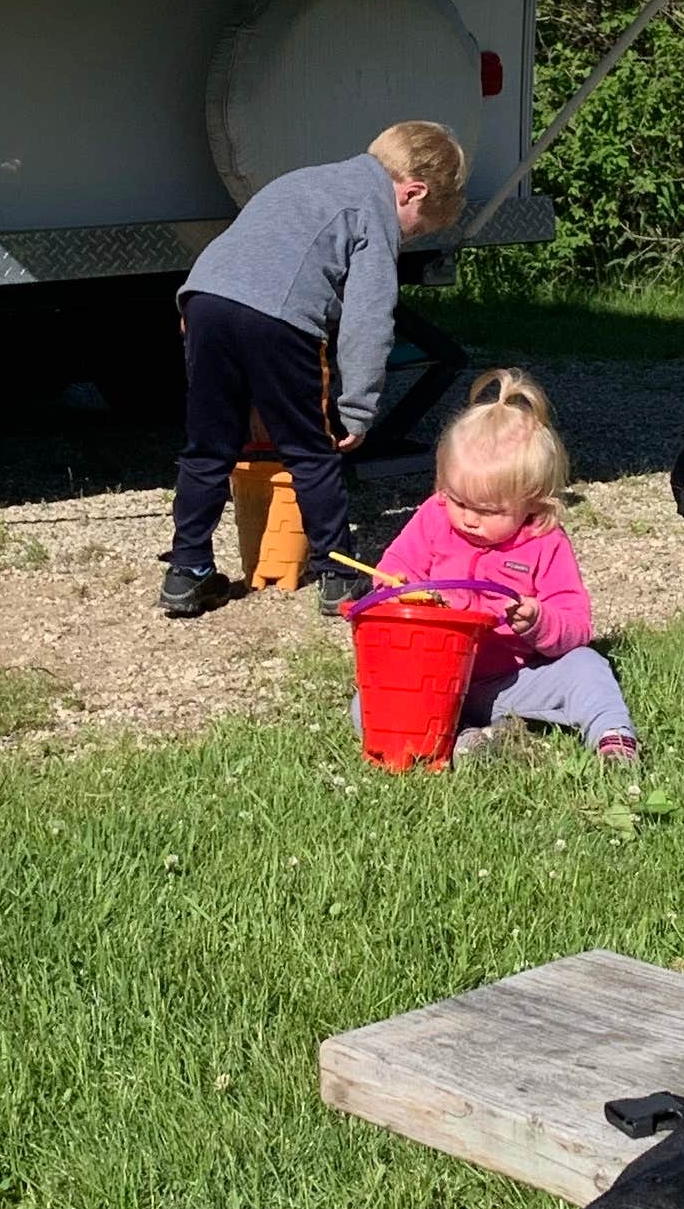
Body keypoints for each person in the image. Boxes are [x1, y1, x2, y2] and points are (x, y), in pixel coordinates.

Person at [161, 119, 467, 615]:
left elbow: (238, 245)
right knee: (311, 449)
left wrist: (190, 310)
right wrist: (357, 410)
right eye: (417, 229)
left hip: (205, 300)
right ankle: (338, 572)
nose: (408, 239)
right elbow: (368, 321)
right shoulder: (372, 212)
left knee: (208, 446)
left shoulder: (304, 180)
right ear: (413, 192)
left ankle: (187, 570)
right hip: (278, 319)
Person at [365, 373, 640, 761]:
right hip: (434, 676)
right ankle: (471, 738)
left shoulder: (544, 541)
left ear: (534, 504)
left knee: (586, 665)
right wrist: (397, 590)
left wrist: (540, 622)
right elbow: (393, 571)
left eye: (488, 510)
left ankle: (613, 737)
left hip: (511, 677)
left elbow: (577, 624)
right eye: (458, 500)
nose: (468, 519)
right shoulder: (434, 516)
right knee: (365, 705)